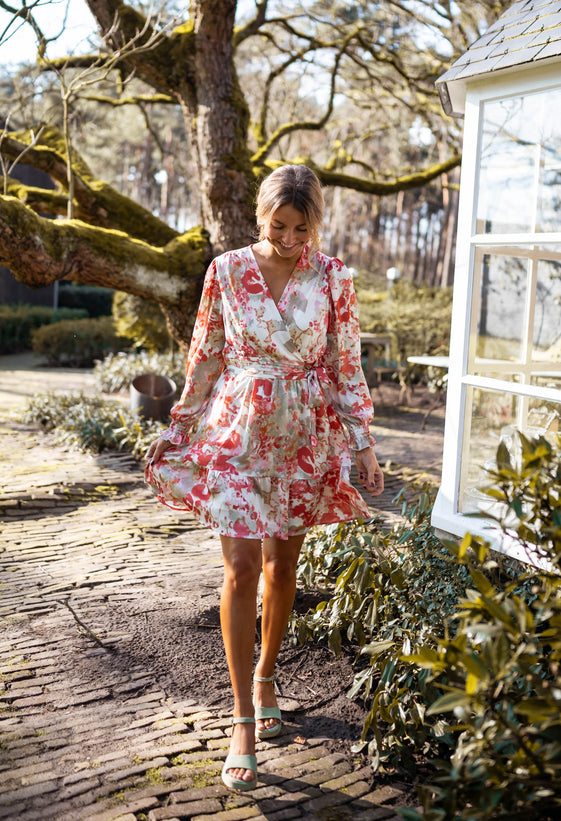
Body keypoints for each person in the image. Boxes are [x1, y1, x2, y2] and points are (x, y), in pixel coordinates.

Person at [145, 164, 384, 792]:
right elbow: (206, 353)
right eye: (279, 226)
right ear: (260, 216)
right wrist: (182, 424)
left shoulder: (334, 279)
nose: (289, 239)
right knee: (241, 567)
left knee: (282, 566)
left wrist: (362, 444)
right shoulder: (225, 270)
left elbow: (345, 366)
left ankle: (267, 676)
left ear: (315, 225)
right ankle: (242, 718)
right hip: (238, 433)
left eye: (301, 229)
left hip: (303, 439)